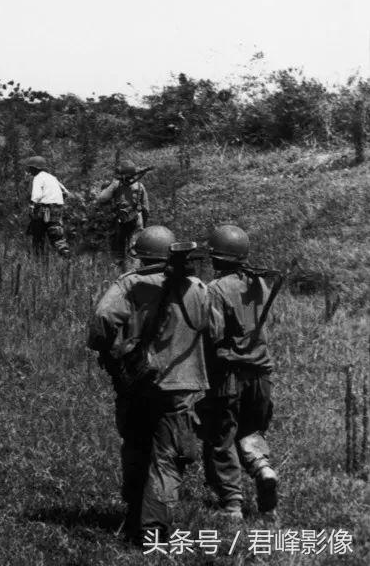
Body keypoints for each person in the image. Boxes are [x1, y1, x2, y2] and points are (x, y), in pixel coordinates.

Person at [88, 226, 218, 544]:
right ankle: (153, 529)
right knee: (169, 456)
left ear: (142, 255)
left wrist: (106, 348)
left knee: (135, 445)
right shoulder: (197, 287)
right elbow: (215, 328)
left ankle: (134, 511)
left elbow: (103, 319)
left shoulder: (131, 284)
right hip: (181, 385)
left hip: (137, 383)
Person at [199, 224, 279, 519]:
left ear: (218, 259)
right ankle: (263, 468)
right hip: (260, 372)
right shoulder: (261, 284)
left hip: (228, 374)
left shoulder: (216, 289)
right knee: (249, 429)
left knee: (221, 436)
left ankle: (232, 504)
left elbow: (214, 333)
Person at [95, 160, 150, 272]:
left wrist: (112, 185)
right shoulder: (140, 186)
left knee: (119, 248)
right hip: (136, 220)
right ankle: (133, 272)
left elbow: (101, 198)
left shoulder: (117, 185)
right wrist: (144, 223)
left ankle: (119, 272)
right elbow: (146, 208)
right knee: (134, 249)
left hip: (121, 221)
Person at [22, 155, 71, 257]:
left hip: (43, 209)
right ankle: (66, 255)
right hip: (57, 208)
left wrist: (32, 206)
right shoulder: (53, 178)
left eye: (30, 168)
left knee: (38, 235)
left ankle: (39, 261)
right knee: (56, 235)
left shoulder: (38, 178)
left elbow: (37, 195)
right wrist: (56, 200)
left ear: (35, 168)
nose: (29, 170)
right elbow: (66, 192)